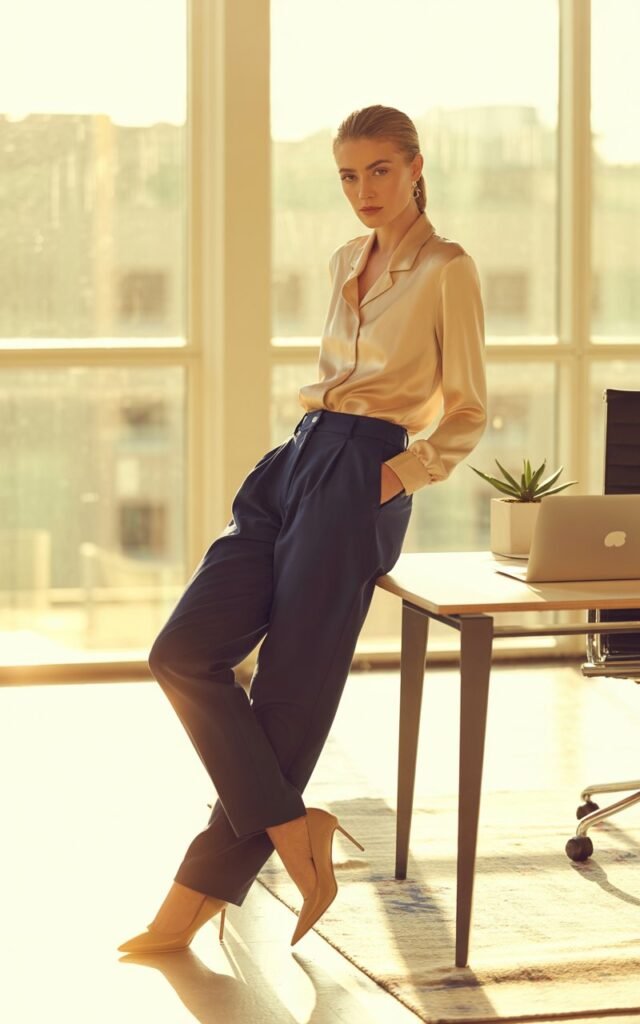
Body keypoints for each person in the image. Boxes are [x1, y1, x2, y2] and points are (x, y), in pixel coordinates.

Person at [117, 103, 487, 954]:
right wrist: (314, 461)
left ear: (416, 166)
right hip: (296, 458)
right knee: (181, 652)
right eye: (349, 176)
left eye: (379, 171)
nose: (363, 191)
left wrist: (396, 475)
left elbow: (467, 409)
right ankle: (295, 829)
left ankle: (192, 896)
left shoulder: (447, 268)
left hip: (365, 468)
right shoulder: (345, 260)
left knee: (291, 685)